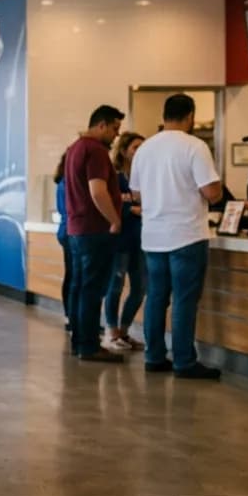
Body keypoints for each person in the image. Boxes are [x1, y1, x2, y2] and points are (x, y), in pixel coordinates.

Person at [129, 94, 223, 380]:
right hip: (187, 235)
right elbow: (212, 193)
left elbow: (136, 195)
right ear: (190, 116)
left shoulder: (145, 148)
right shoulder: (194, 146)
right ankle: (184, 361)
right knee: (183, 300)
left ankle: (154, 357)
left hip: (153, 236)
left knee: (156, 297)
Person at [63, 105, 126, 363]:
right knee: (92, 290)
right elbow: (98, 191)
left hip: (77, 230)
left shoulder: (75, 148)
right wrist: (114, 220)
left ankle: (79, 341)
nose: (116, 135)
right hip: (95, 230)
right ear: (101, 125)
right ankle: (89, 346)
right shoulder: (96, 151)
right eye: (114, 129)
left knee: (79, 288)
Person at [102, 132, 146, 353]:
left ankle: (124, 330)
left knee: (140, 288)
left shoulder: (146, 175)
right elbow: (112, 204)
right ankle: (111, 332)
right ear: (124, 150)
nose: (139, 151)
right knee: (115, 286)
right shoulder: (115, 177)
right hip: (119, 240)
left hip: (141, 241)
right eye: (135, 147)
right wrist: (134, 209)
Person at [54, 151, 73, 335]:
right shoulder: (67, 183)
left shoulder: (65, 182)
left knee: (73, 275)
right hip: (69, 231)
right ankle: (70, 315)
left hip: (66, 231)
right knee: (73, 275)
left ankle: (72, 315)